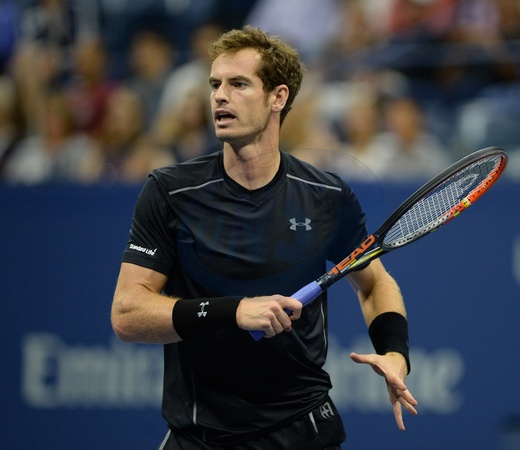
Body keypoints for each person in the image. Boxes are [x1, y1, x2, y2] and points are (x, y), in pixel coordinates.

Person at [111, 26, 417, 450]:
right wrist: (233, 311)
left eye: (238, 84)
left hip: (303, 430)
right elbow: (127, 313)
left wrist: (395, 353)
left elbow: (373, 284)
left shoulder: (327, 196)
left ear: (278, 97)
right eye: (215, 84)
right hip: (201, 436)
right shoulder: (169, 192)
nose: (220, 97)